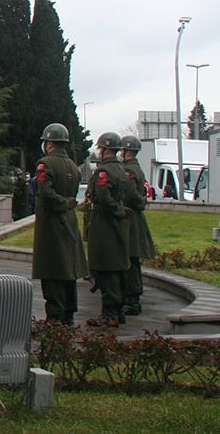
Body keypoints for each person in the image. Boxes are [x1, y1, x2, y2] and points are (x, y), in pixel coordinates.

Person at [32, 123, 88, 325]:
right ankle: (68, 314)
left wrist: (60, 203)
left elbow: (45, 192)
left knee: (51, 269)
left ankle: (55, 316)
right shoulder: (73, 166)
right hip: (69, 222)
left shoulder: (45, 164)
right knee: (67, 269)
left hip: (51, 224)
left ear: (49, 143)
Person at [85, 131, 130, 327]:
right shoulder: (121, 170)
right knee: (117, 268)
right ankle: (117, 310)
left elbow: (103, 198)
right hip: (117, 224)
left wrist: (116, 210)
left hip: (105, 223)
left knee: (106, 267)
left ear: (104, 149)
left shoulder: (103, 172)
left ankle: (109, 314)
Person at [119, 135, 156, 316]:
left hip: (130, 219)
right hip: (134, 217)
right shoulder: (136, 168)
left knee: (130, 260)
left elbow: (130, 193)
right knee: (132, 261)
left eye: (122, 151)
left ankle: (132, 299)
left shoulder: (128, 170)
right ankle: (133, 298)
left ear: (127, 151)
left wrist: (139, 202)